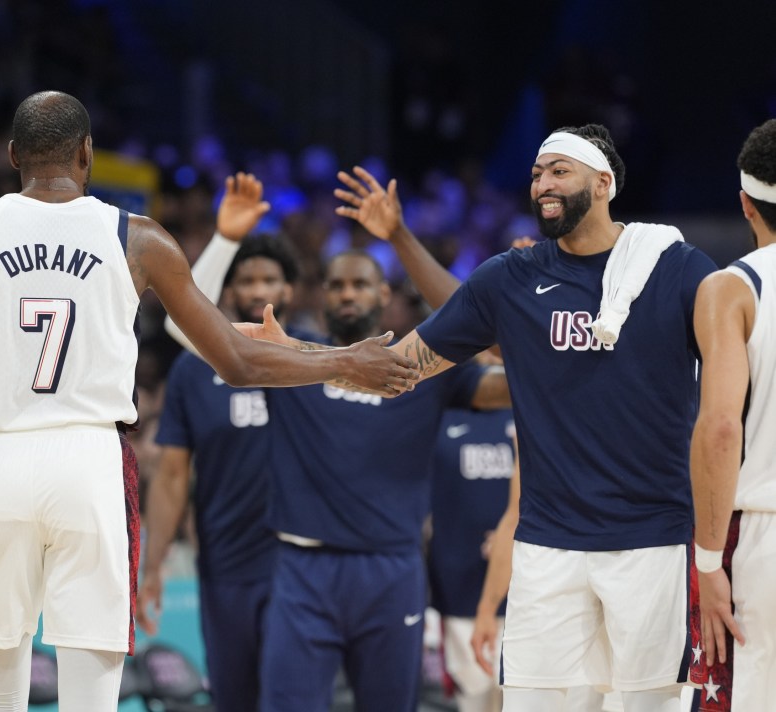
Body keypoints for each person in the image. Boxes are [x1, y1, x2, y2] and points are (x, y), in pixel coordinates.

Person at [0, 90, 418, 712]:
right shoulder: (138, 237)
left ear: (13, 157)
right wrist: (344, 361)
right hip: (89, 463)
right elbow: (237, 362)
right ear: (87, 154)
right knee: (90, 698)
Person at [298, 124, 718, 712]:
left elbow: (736, 386)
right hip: (547, 547)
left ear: (603, 183)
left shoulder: (677, 268)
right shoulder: (510, 277)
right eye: (537, 174)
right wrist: (296, 356)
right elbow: (400, 368)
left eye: (559, 172)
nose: (542, 185)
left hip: (652, 544)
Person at [175, 241, 511, 711]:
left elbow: (517, 385)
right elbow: (187, 328)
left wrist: (522, 311)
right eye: (336, 285)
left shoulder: (426, 370)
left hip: (391, 569)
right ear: (320, 295)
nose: (348, 294)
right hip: (303, 569)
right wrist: (227, 239)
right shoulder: (290, 359)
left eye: (360, 284)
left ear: (384, 294)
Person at [137, 174, 299, 712]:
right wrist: (154, 565)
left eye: (270, 279)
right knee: (233, 698)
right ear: (228, 292)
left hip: (300, 563)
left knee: (291, 696)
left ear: (290, 291)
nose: (258, 290)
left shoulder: (316, 360)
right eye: (246, 280)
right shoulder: (193, 370)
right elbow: (171, 477)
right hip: (224, 562)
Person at [691, 117, 776, 711]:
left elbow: (721, 428)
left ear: (745, 204)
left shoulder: (734, 287)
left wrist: (706, 559)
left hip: (762, 537)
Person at [426, 370, 515, 712]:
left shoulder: (527, 409)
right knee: (473, 699)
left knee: (527, 696)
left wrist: (510, 536)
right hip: (458, 585)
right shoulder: (440, 411)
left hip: (525, 585)